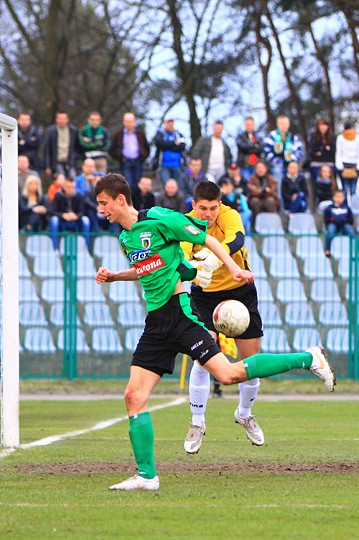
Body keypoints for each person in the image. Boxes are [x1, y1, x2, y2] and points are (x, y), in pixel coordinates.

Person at [92, 174, 335, 490]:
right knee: (133, 395)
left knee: (230, 374)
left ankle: (309, 358)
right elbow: (148, 270)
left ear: (120, 200)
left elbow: (207, 239)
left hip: (180, 315)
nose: (100, 210)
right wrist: (115, 276)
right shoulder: (126, 238)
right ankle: (147, 476)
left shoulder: (158, 218)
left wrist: (233, 268)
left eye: (103, 203)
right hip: (156, 324)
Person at [181, 181, 267, 453]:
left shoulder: (230, 214)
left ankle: (244, 413)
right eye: (203, 208)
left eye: (213, 208)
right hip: (204, 296)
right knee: (203, 358)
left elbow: (237, 239)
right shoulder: (184, 224)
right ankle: (197, 422)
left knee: (252, 362)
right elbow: (181, 260)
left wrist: (213, 257)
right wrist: (195, 267)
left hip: (240, 291)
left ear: (220, 205)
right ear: (194, 206)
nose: (208, 214)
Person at [109, 112, 150, 189]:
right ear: (124, 122)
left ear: (134, 121)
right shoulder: (118, 135)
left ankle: (136, 201)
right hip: (125, 162)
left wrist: (142, 157)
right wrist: (120, 157)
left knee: (138, 185)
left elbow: (146, 148)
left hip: (138, 161)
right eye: (127, 121)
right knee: (128, 184)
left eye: (131, 121)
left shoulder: (141, 134)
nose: (129, 124)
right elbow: (112, 150)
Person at [48, 176, 91, 250]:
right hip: (61, 221)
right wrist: (63, 215)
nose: (70, 189)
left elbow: (82, 211)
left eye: (72, 187)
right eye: (68, 187)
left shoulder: (79, 196)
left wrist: (76, 216)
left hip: (76, 221)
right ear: (63, 186)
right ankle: (54, 248)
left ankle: (87, 248)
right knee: (53, 220)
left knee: (86, 220)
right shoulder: (58, 195)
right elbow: (52, 211)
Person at [262, 114, 304, 189]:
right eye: (281, 123)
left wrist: (292, 162)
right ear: (277, 124)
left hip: (291, 165)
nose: (284, 126)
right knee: (277, 172)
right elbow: (267, 152)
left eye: (285, 123)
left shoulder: (293, 137)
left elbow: (299, 152)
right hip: (276, 165)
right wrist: (277, 162)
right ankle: (279, 199)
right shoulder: (272, 136)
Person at [42, 111, 81, 178]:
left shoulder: (73, 130)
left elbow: (77, 146)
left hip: (70, 161)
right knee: (60, 179)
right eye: (59, 118)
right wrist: (47, 166)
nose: (61, 121)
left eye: (63, 119)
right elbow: (47, 149)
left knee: (73, 179)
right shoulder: (51, 131)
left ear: (67, 120)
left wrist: (75, 157)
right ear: (56, 119)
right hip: (57, 161)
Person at [152, 117, 187, 185]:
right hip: (164, 165)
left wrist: (167, 146)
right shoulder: (160, 133)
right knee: (166, 186)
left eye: (171, 122)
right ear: (165, 123)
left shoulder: (179, 134)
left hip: (177, 165)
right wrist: (174, 143)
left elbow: (182, 146)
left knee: (178, 186)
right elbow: (160, 144)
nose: (170, 124)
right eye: (168, 122)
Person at [335, 120, 359, 197]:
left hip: (355, 165)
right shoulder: (340, 138)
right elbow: (339, 152)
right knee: (344, 187)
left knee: (354, 188)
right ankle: (345, 205)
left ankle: (353, 205)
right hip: (344, 164)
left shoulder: (358, 138)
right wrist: (339, 165)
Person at [323, 189, 354, 257]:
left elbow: (351, 220)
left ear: (344, 198)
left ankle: (355, 250)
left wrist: (341, 220)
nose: (339, 198)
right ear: (333, 197)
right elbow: (326, 220)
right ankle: (328, 249)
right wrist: (336, 220)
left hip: (344, 225)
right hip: (333, 224)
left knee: (350, 231)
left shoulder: (347, 208)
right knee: (331, 230)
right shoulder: (329, 208)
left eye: (341, 196)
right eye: (337, 196)